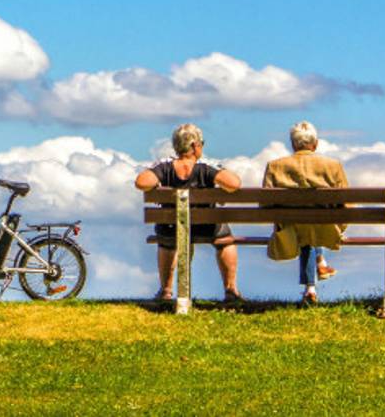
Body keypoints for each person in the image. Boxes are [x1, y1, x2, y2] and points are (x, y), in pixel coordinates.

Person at [135, 123, 243, 303]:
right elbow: (234, 183)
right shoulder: (206, 167)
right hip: (206, 228)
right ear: (194, 146)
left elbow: (141, 182)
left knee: (167, 241)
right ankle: (231, 289)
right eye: (201, 143)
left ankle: (166, 290)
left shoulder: (165, 167)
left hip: (171, 228)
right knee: (226, 241)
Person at [262, 121, 347, 304]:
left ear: (293, 144)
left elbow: (265, 204)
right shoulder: (333, 166)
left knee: (302, 226)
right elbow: (345, 204)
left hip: (290, 230)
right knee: (311, 225)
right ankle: (319, 265)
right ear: (315, 144)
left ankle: (310, 287)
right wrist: (340, 228)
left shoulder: (275, 166)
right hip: (325, 228)